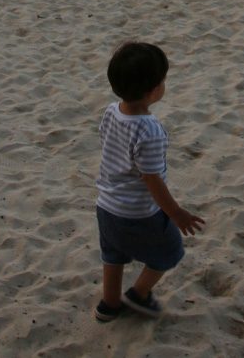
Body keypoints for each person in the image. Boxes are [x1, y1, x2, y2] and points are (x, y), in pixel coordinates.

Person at [94, 42, 205, 323]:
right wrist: (176, 213)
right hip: (138, 214)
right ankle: (139, 295)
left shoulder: (111, 111)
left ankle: (108, 305)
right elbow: (152, 179)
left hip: (106, 206)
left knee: (113, 255)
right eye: (163, 80)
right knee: (169, 252)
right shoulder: (150, 130)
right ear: (153, 90)